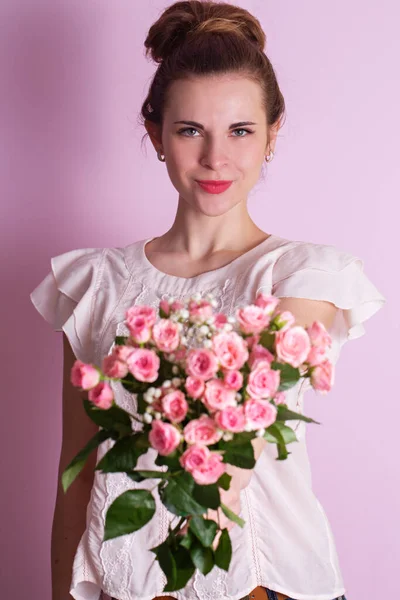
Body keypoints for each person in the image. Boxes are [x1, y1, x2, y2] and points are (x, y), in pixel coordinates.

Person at [29, 2, 386, 600]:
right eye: (191, 129)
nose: (216, 158)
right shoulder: (95, 283)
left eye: (240, 130)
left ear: (273, 134)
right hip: (129, 587)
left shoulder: (302, 276)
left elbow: (235, 430)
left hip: (267, 586)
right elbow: (77, 468)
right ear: (157, 136)